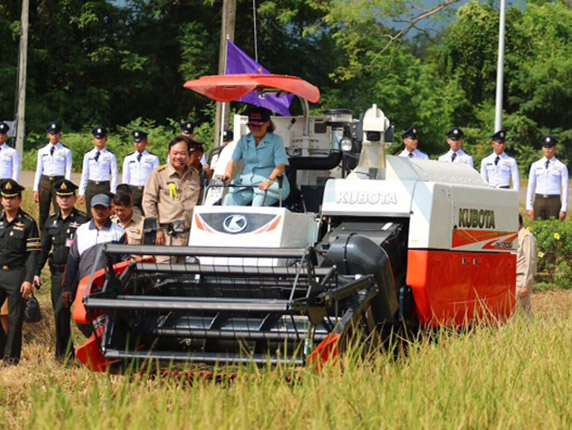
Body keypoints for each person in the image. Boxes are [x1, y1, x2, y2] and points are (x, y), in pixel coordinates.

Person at [34, 179, 88, 359]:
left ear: (74, 198)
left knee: (68, 311)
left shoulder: (83, 221)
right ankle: (65, 354)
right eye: (61, 197)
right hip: (57, 273)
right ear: (56, 199)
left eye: (68, 197)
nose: (64, 200)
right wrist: (36, 271)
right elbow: (43, 249)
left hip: (77, 273)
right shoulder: (51, 222)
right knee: (59, 314)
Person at [61, 194, 126, 336]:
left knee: (106, 323)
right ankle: (95, 344)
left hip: (107, 288)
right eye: (96, 208)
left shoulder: (118, 233)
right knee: (82, 320)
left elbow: (124, 263)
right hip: (85, 286)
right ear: (91, 209)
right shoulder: (82, 231)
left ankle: (103, 350)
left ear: (110, 210)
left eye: (103, 208)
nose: (99, 211)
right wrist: (67, 288)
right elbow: (72, 261)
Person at [142, 136, 201, 263]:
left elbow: (199, 203)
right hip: (166, 236)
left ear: (188, 155)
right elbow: (148, 202)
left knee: (186, 277)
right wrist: (156, 229)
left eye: (183, 153)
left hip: (188, 236)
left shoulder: (195, 175)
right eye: (175, 153)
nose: (178, 157)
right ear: (169, 153)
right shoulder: (158, 174)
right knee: (165, 275)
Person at [0, 179, 40, 364]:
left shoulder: (28, 223)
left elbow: (33, 255)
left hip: (16, 274)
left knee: (15, 318)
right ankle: (2, 349)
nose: (9, 202)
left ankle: (11, 358)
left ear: (20, 199)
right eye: (5, 198)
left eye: (13, 198)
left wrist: (28, 279)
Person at [222, 107, 290, 206]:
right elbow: (233, 161)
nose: (255, 128)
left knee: (258, 201)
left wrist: (269, 181)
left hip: (269, 186)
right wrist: (228, 173)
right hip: (246, 185)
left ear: (267, 123)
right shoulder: (244, 140)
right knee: (229, 199)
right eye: (252, 125)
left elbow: (281, 166)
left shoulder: (276, 141)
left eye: (259, 125)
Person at [33, 121, 73, 231]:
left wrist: (68, 186)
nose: (54, 136)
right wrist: (35, 189)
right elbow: (39, 170)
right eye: (52, 134)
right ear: (48, 135)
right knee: (43, 211)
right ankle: (43, 235)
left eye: (56, 133)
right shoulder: (42, 150)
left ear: (60, 134)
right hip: (45, 181)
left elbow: (68, 169)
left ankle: (58, 233)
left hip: (59, 181)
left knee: (59, 209)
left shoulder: (65, 150)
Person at [526, 135, 568, 221]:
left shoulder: (561, 166)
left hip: (554, 201)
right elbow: (531, 186)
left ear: (555, 149)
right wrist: (529, 206)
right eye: (545, 147)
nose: (548, 149)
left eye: (550, 147)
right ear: (542, 148)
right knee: (537, 229)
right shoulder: (535, 165)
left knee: (554, 230)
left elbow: (565, 188)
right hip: (539, 200)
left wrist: (564, 208)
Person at [79, 126, 118, 217]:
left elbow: (115, 174)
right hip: (91, 186)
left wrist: (113, 192)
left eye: (102, 138)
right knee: (90, 213)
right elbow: (85, 174)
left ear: (106, 139)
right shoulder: (88, 155)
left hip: (104, 186)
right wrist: (81, 192)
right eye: (97, 138)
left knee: (104, 212)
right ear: (94, 139)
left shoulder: (110, 155)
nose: (99, 140)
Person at [121, 130, 160, 209]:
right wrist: (125, 191)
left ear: (145, 143)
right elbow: (126, 176)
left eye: (140, 142)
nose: (137, 144)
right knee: (133, 212)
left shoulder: (153, 158)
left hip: (147, 189)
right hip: (133, 190)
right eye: (135, 142)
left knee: (148, 211)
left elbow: (156, 177)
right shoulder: (128, 158)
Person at [516, 214, 537, 318]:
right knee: (524, 311)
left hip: (521, 278)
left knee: (519, 308)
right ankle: (532, 331)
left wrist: (525, 284)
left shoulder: (527, 237)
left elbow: (530, 262)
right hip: (515, 278)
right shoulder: (515, 236)